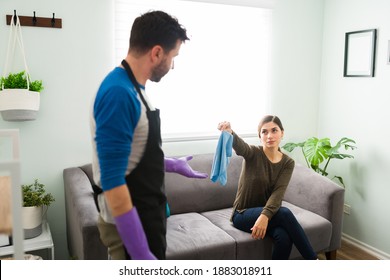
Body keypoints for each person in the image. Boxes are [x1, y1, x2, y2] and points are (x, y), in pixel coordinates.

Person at [90, 10, 207, 260]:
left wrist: (170, 165)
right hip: (130, 226)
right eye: (173, 56)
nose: (173, 65)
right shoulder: (119, 94)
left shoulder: (135, 89)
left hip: (147, 215)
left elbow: (131, 153)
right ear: (156, 53)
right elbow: (113, 180)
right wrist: (140, 253)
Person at [217, 115, 317, 260]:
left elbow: (278, 193)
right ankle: (314, 260)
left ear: (282, 133)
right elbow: (241, 147)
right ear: (260, 136)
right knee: (285, 213)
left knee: (284, 237)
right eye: (264, 132)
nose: (269, 136)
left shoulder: (288, 162)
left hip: (269, 215)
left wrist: (264, 216)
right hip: (242, 214)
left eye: (274, 130)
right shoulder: (253, 153)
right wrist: (230, 132)